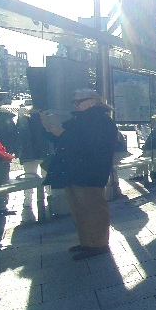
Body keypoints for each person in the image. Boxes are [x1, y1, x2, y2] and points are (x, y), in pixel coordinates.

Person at [41, 89, 119, 260]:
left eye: (79, 101)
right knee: (79, 209)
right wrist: (51, 131)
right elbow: (71, 141)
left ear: (92, 101)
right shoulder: (84, 119)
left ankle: (98, 244)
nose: (75, 105)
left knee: (93, 209)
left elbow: (91, 146)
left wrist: (62, 134)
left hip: (90, 172)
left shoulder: (101, 120)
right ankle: (87, 242)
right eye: (74, 102)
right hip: (76, 170)